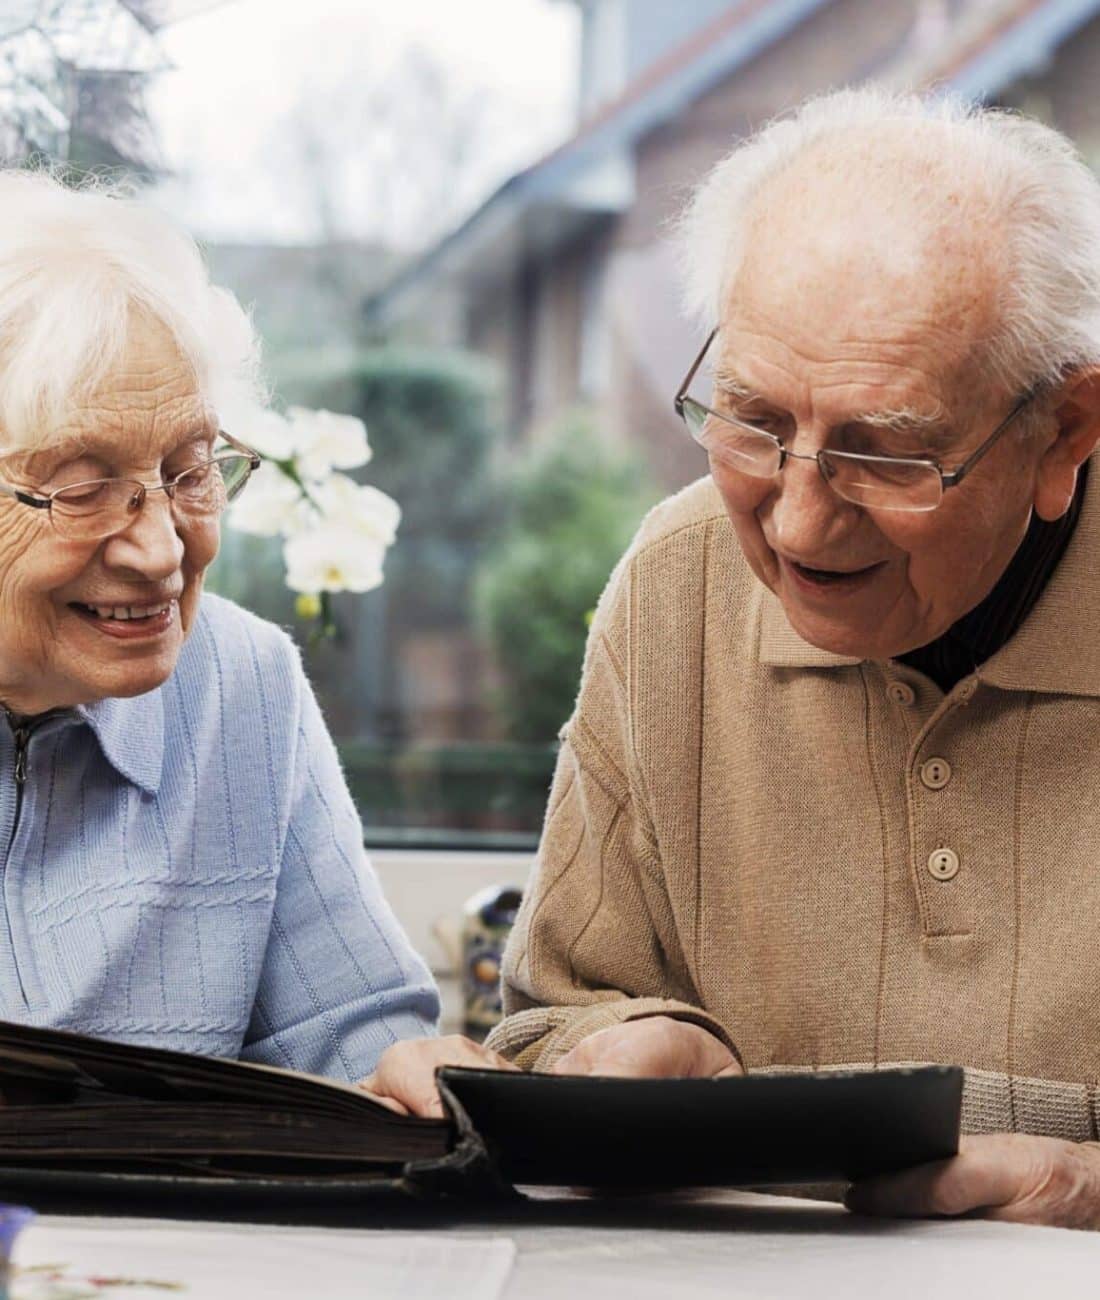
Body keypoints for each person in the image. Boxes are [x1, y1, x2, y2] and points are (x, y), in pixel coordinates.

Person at [366, 89, 1100, 1228]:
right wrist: (621, 1049)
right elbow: (558, 1009)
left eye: (883, 454)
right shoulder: (677, 583)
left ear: (1061, 432)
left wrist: (1084, 1188)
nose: (798, 525)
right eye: (753, 421)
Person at [0, 169, 438, 1081]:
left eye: (190, 469)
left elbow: (356, 1035)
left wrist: (413, 1080)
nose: (162, 551)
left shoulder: (244, 684)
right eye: (83, 488)